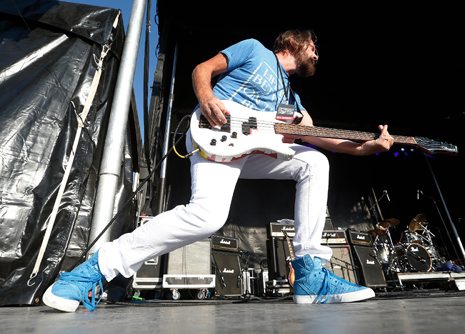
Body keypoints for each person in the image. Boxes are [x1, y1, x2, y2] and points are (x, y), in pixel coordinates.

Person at [42, 29, 394, 312]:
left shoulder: (294, 99)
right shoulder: (255, 50)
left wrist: (368, 147)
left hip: (256, 150)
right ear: (295, 42)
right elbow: (202, 70)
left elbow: (318, 139)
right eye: (314, 45)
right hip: (217, 139)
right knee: (208, 217)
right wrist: (207, 98)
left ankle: (309, 274)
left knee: (314, 162)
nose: (317, 53)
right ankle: (96, 269)